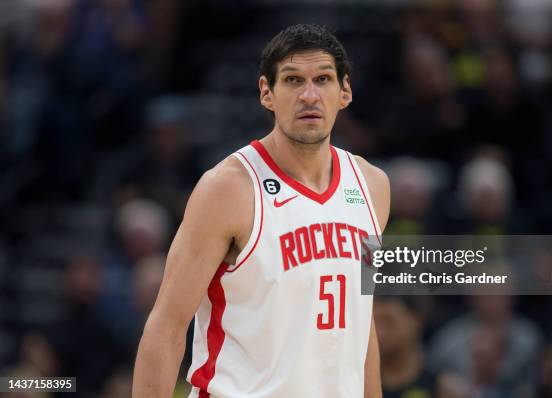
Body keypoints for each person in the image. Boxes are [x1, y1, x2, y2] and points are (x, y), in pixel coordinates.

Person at [133, 24, 390, 398]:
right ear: (266, 93)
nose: (309, 95)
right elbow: (166, 328)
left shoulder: (372, 186)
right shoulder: (228, 188)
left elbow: (361, 319)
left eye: (322, 79)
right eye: (292, 80)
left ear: (344, 91)